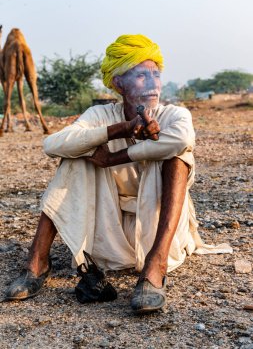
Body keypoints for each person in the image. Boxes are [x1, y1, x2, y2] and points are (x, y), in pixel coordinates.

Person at [5, 34, 232, 313]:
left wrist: (114, 157)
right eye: (140, 76)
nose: (152, 84)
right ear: (117, 83)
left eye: (156, 75)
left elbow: (181, 140)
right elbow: (51, 144)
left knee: (178, 156)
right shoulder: (100, 115)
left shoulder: (174, 115)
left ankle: (154, 267)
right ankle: (38, 261)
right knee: (75, 155)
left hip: (159, 234)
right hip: (107, 238)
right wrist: (120, 130)